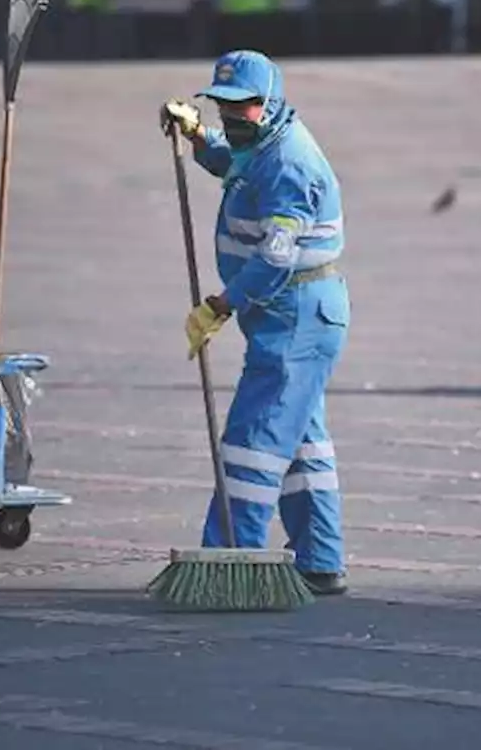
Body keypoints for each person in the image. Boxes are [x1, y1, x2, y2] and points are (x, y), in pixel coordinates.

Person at [160, 50, 351, 596]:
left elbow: (275, 257)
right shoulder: (261, 143)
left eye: (236, 108)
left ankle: (226, 558)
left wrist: (223, 305)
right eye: (218, 106)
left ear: (266, 105)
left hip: (297, 315)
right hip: (289, 313)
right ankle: (319, 558)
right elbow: (234, 164)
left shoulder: (289, 164)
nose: (227, 117)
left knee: (254, 439)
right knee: (300, 442)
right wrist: (197, 138)